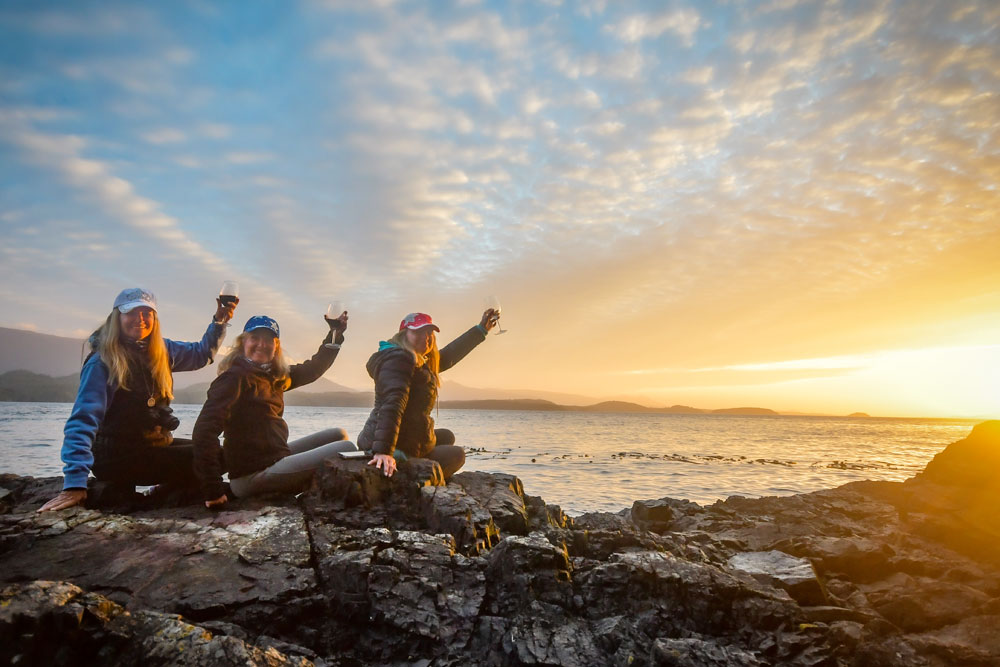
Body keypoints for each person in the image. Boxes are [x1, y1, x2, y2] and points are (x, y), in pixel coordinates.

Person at [39, 288, 237, 512]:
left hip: (153, 446)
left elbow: (201, 354)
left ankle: (164, 492)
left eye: (146, 313)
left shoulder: (162, 350)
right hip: (115, 457)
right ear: (117, 317)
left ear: (154, 318)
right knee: (214, 458)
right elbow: (82, 421)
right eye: (131, 312)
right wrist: (74, 483)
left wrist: (220, 321)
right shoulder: (103, 361)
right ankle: (160, 490)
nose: (139, 319)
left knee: (218, 452)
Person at [192, 312, 357, 508]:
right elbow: (204, 432)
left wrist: (335, 333)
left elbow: (314, 368)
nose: (261, 344)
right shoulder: (234, 378)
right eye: (255, 338)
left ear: (276, 346)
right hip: (251, 476)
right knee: (347, 449)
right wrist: (213, 490)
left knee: (339, 434)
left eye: (269, 340)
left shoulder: (273, 375)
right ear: (243, 342)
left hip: (273, 457)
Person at [359, 309, 498, 479]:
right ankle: (411, 478)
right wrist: (384, 452)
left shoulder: (418, 360)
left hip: (402, 434)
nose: (426, 336)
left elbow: (447, 356)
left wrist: (481, 330)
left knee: (447, 436)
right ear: (404, 334)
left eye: (429, 332)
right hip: (391, 444)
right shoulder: (399, 360)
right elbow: (392, 404)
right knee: (457, 455)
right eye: (418, 331)